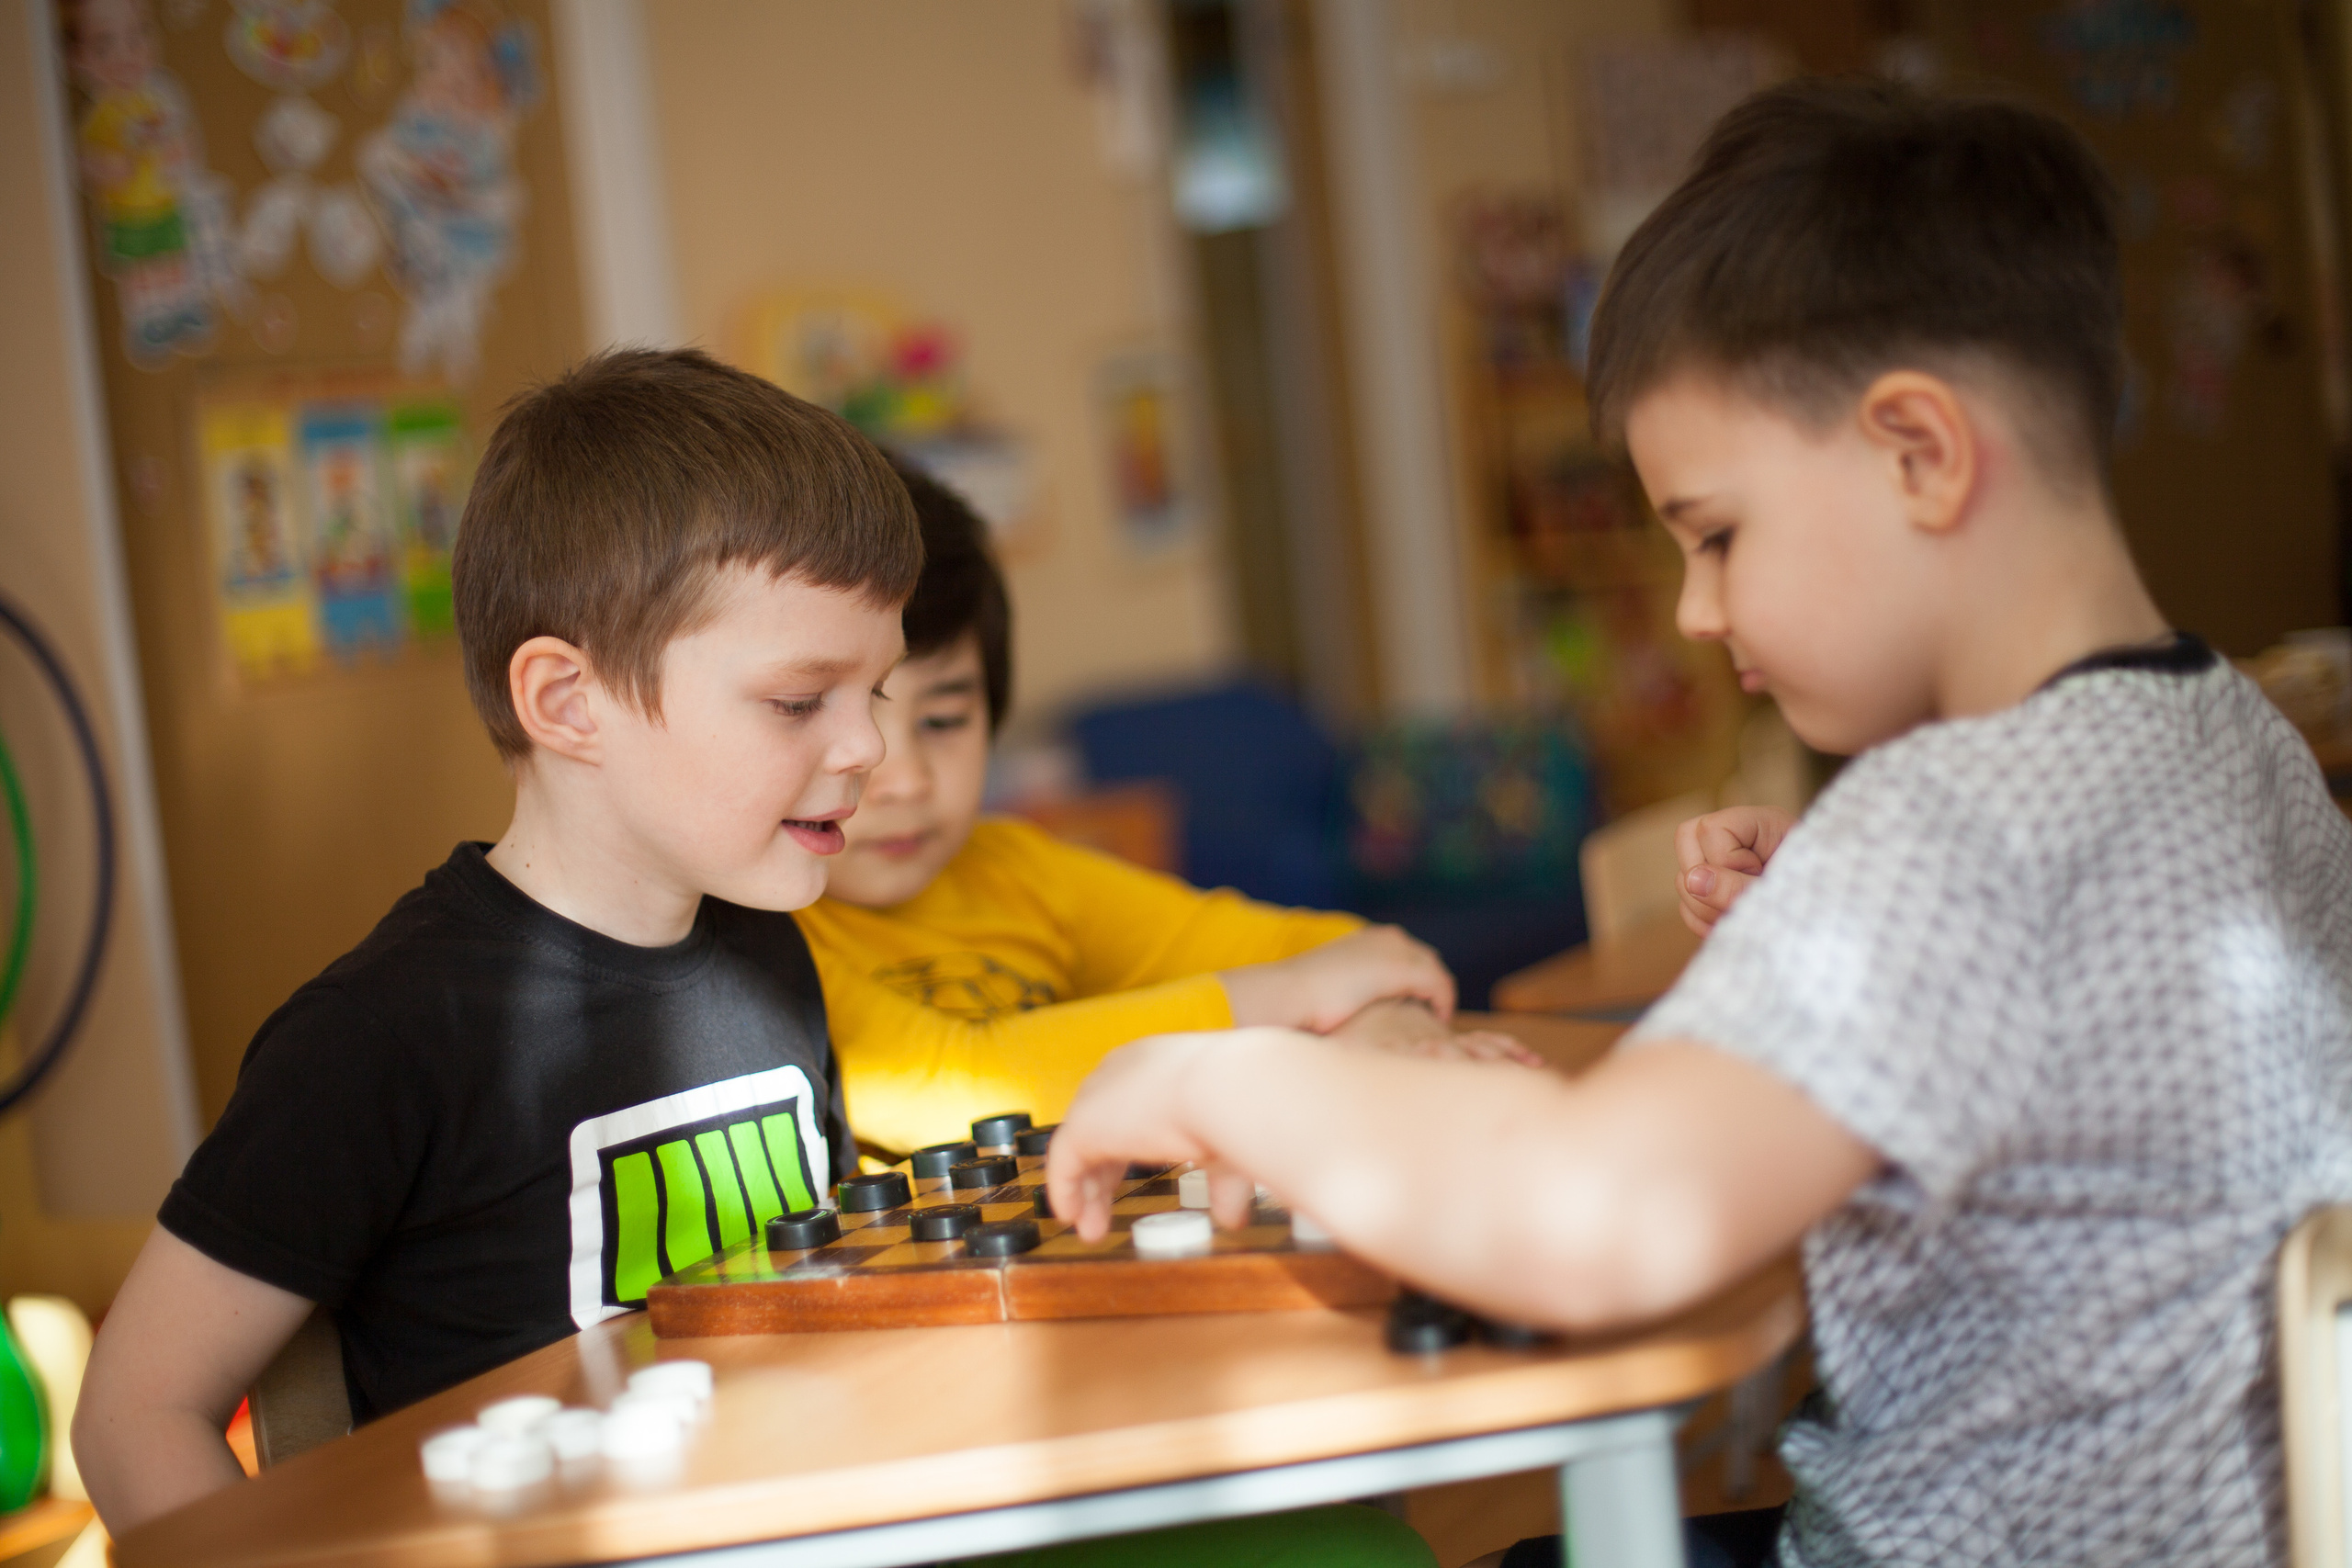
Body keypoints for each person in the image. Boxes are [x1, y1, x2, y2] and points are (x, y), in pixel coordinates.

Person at [1042, 80, 2352, 1568]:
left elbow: (1594, 1214)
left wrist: (1230, 1079)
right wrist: (1840, 936)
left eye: (1719, 534)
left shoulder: (1953, 830)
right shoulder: (2239, 735)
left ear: (1920, 451)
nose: (1695, 608)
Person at [73, 350, 1434, 1568]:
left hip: (837, 1518)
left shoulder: (774, 955)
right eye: (800, 701)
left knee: (1350, 1538)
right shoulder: (387, 1029)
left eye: (882, 693)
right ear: (568, 702)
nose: (870, 753)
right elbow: (136, 1411)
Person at [796, 458, 1530, 1156]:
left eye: (944, 721)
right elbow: (960, 1081)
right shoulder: (773, 925)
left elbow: (1331, 948)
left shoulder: (1015, 868)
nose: (905, 779)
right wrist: (1304, 995)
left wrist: (1384, 1022)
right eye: (842, 717)